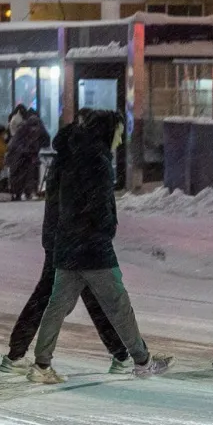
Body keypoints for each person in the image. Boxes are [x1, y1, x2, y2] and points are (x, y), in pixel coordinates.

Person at [26, 109, 171, 383]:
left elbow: (61, 202)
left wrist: (62, 236)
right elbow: (99, 206)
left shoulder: (70, 156)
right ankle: (142, 362)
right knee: (118, 304)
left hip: (68, 244)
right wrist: (105, 230)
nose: (121, 137)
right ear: (107, 131)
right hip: (93, 248)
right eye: (119, 131)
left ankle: (41, 364)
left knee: (57, 306)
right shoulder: (98, 161)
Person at [0, 146, 133, 375]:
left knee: (66, 296)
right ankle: (120, 354)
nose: (118, 140)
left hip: (64, 242)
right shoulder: (82, 166)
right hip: (71, 244)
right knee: (85, 297)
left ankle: (17, 354)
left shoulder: (67, 164)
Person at [4, 108, 45, 200]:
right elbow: (17, 145)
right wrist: (28, 151)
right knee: (22, 175)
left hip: (22, 157)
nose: (35, 130)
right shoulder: (24, 131)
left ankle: (23, 192)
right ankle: (22, 192)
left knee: (23, 175)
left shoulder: (26, 130)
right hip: (19, 157)